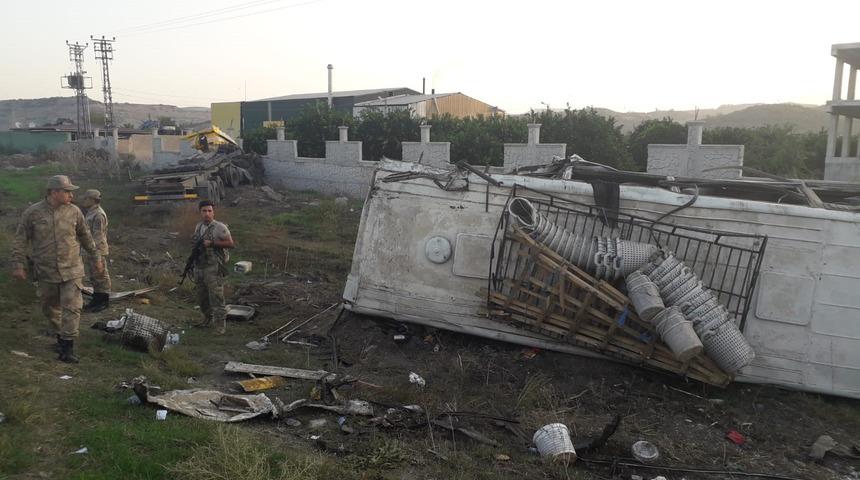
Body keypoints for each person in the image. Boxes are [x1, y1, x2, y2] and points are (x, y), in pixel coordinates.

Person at [11, 175, 104, 363]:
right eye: (67, 191)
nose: (72, 195)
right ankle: (60, 334)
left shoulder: (75, 212)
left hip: (72, 268)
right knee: (49, 307)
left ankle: (67, 347)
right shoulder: (33, 213)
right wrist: (18, 264)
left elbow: (86, 237)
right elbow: (20, 240)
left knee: (72, 307)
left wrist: (96, 258)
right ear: (54, 192)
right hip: (46, 271)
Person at [191, 200, 235, 335]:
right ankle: (207, 319)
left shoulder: (219, 227)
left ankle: (220, 326)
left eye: (209, 211)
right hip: (200, 266)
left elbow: (230, 244)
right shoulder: (198, 226)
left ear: (213, 212)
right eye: (204, 211)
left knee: (216, 297)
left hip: (214, 267)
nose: (207, 214)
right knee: (201, 296)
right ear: (200, 212)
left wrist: (212, 243)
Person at [80, 189, 112, 312]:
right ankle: (97, 299)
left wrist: (96, 254)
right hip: (91, 250)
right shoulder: (91, 212)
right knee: (94, 276)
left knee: (101, 276)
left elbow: (98, 237)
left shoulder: (98, 214)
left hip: (97, 250)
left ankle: (102, 301)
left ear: (92, 200)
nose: (84, 200)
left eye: (86, 198)